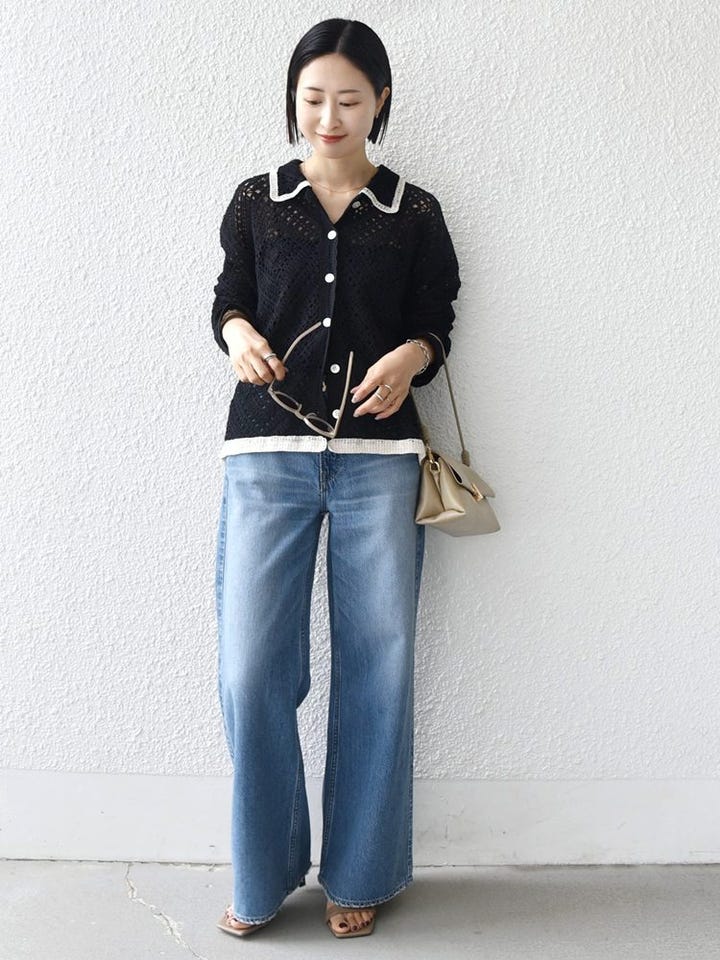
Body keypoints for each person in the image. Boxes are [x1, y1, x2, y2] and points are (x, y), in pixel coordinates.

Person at [211, 17, 461, 939]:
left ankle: (360, 870)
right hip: (265, 455)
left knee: (377, 668)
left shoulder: (414, 211)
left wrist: (412, 355)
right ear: (293, 98)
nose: (328, 116)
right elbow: (228, 297)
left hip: (380, 464)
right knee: (251, 669)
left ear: (379, 102)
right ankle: (265, 871)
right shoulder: (257, 199)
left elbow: (437, 315)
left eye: (348, 100)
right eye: (313, 98)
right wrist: (237, 333)